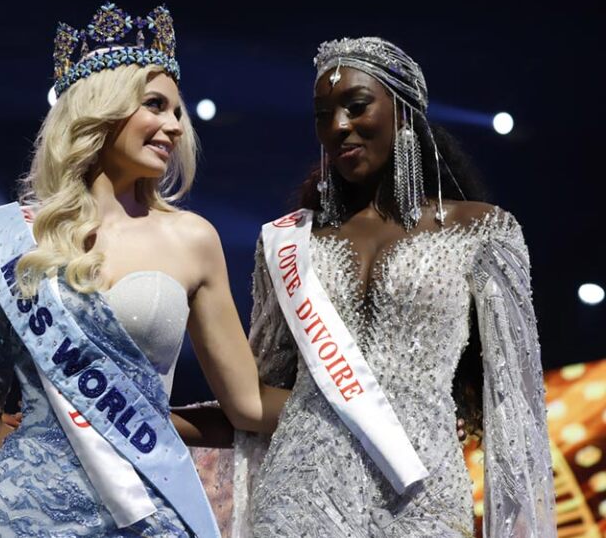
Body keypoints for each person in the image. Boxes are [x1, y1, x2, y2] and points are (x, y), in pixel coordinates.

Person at [0, 2, 287, 537]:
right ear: (100, 110)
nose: (174, 127)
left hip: (148, 503)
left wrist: (356, 408)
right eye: (155, 105)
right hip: (27, 509)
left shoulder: (191, 239)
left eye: (177, 112)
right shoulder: (11, 238)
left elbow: (247, 404)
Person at [235, 37, 555, 537]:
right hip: (298, 496)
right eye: (323, 115)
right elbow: (265, 390)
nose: (339, 126)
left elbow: (514, 405)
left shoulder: (483, 231)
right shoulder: (291, 241)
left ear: (403, 111)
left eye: (356, 105)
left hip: (423, 495)